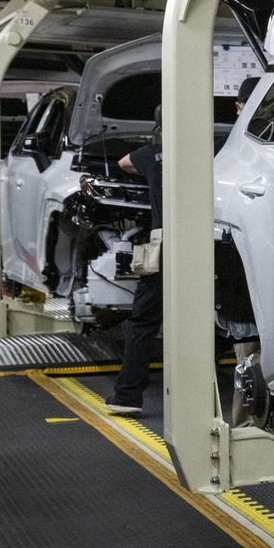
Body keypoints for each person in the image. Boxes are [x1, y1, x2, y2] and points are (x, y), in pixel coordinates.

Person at [106, 108, 163, 414]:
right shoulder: (213, 149)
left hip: (164, 244)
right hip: (210, 243)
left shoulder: (151, 154)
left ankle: (128, 396)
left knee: (143, 320)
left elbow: (123, 163)